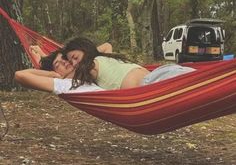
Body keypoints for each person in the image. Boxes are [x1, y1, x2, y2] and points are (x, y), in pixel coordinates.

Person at [62, 37, 196, 90]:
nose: (73, 63)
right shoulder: (88, 69)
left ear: (85, 49)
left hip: (156, 76)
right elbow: (64, 78)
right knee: (192, 82)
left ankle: (215, 80)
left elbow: (107, 45)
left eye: (75, 57)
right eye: (70, 61)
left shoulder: (98, 59)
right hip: (149, 86)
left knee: (195, 78)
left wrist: (92, 52)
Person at [14, 45, 105, 94]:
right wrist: (51, 75)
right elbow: (20, 75)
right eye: (58, 65)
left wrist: (43, 54)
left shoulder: (87, 68)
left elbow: (107, 46)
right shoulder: (64, 84)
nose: (64, 62)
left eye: (65, 59)